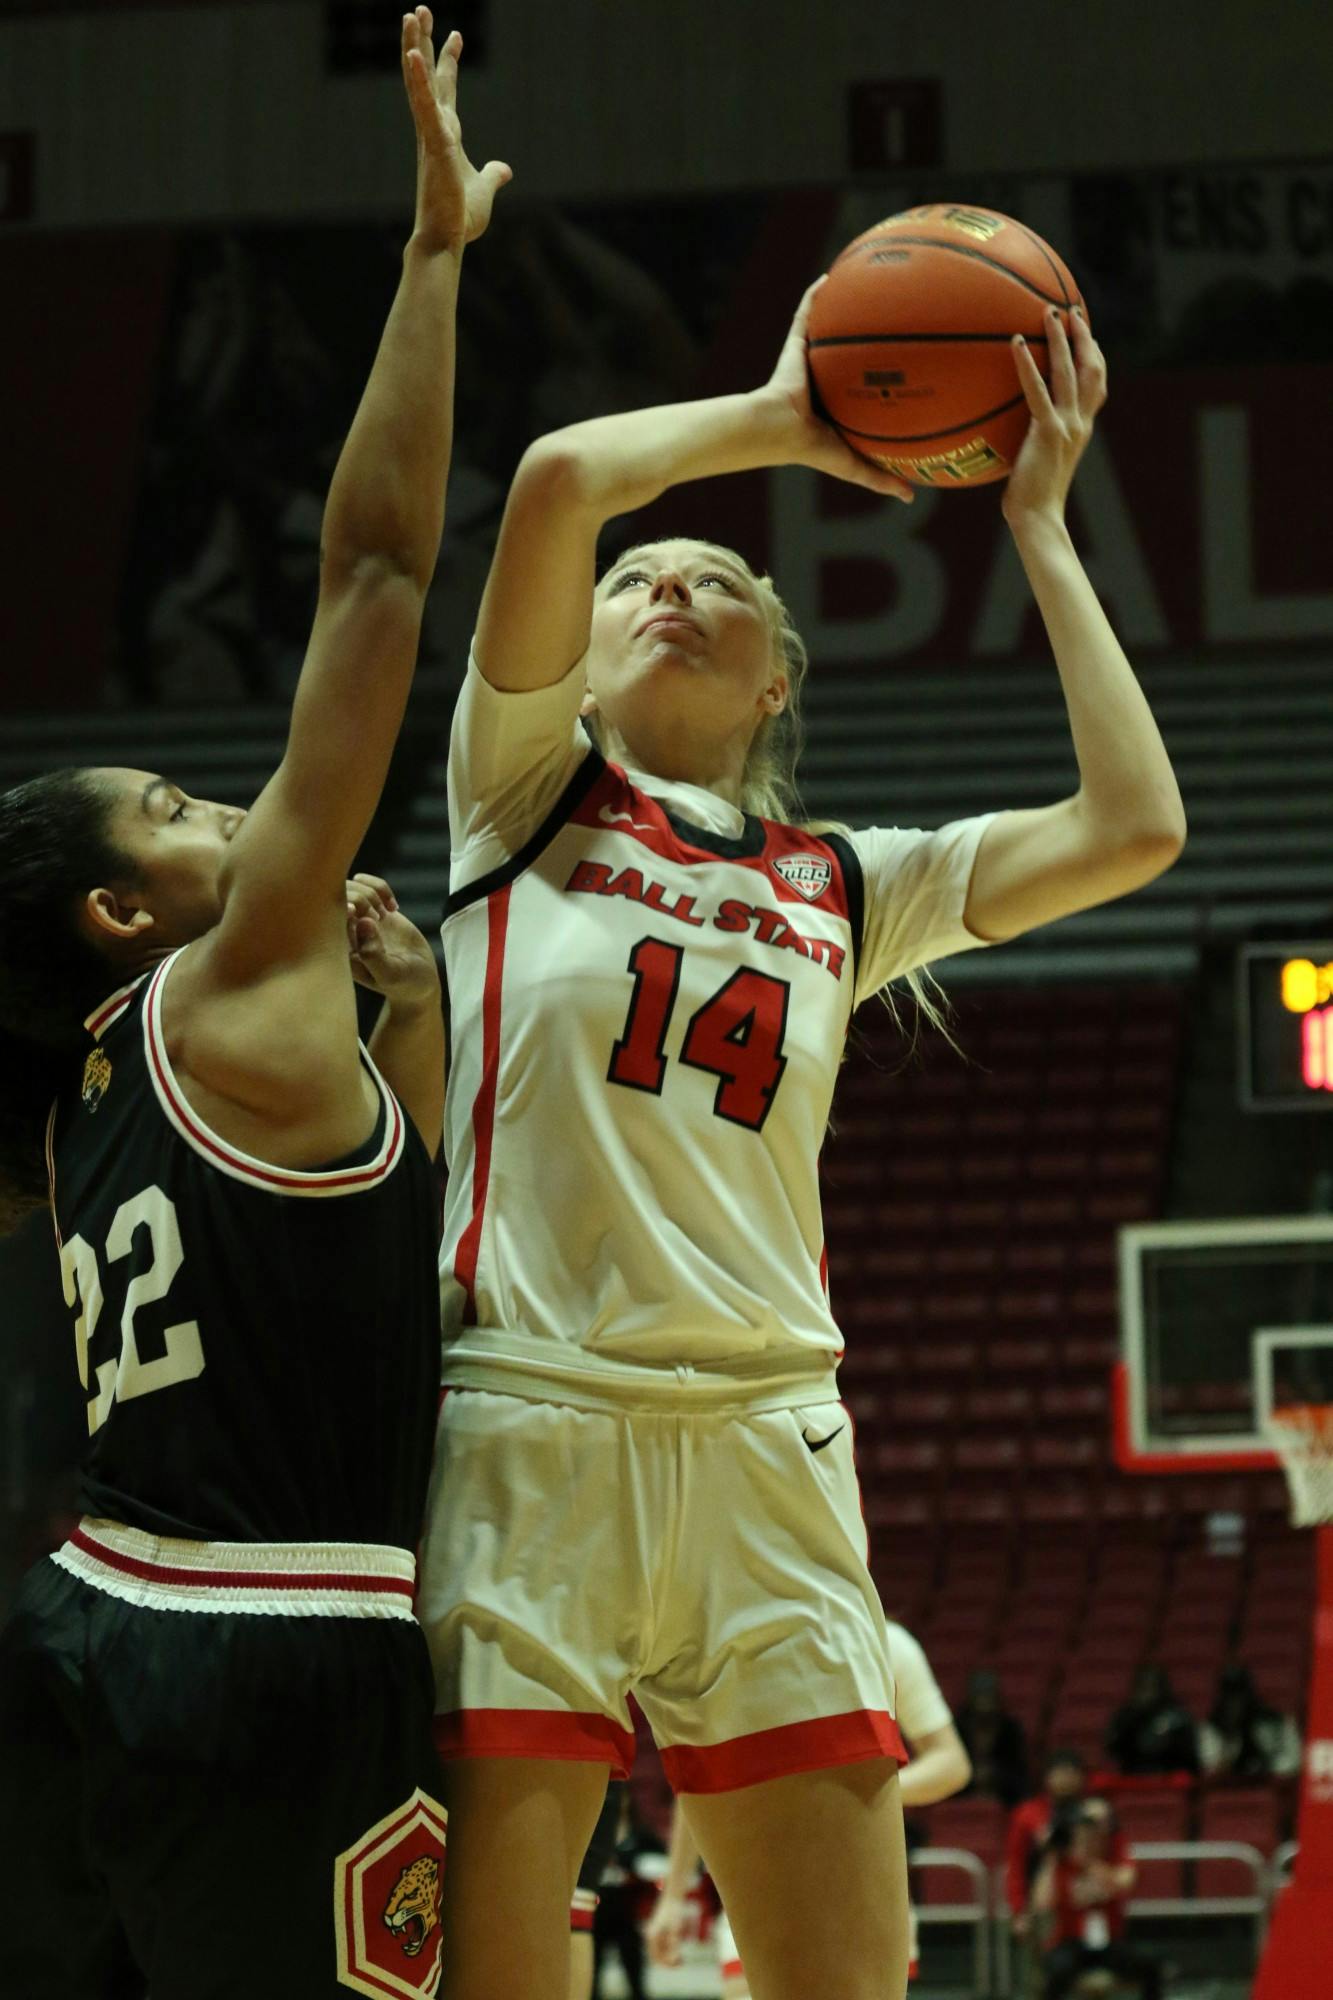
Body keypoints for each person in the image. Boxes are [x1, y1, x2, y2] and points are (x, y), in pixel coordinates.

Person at [417, 271, 1185, 2000]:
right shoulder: (520, 797)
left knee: (850, 1983)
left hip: (771, 1434)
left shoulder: (844, 879)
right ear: (580, 664)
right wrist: (782, 424)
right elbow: (552, 480)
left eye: (718, 585)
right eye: (637, 581)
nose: (669, 585)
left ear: (779, 684)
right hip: (536, 1416)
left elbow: (1134, 826)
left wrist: (1041, 530)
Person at [0, 17, 509, 1998]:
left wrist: (407, 1005)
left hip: (81, 1630)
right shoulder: (223, 979)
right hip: (273, 1647)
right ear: (129, 910)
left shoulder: (78, 1105)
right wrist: (433, 257)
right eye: (176, 809)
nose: (225, 801)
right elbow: (379, 570)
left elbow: (371, 1227)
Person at [645, 1618, 973, 1993]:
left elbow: (952, 1763)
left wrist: (842, 1794)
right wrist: (672, 1896)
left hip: (860, 1876)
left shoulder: (886, 1641)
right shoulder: (730, 1634)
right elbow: (700, 1779)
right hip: (759, 1878)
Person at [1033, 1798, 1162, 1999]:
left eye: (1092, 1833)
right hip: (1071, 1941)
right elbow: (1041, 1903)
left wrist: (1088, 1863)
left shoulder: (1110, 1858)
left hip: (1109, 1942)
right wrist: (1051, 1856)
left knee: (1149, 1965)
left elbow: (1122, 1883)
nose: (1088, 1839)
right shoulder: (1059, 1864)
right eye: (1081, 1834)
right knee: (1057, 1971)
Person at [1006, 1748, 1089, 1942]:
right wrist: (1019, 1910)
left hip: (1085, 1899)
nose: (1065, 1779)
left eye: (1071, 1773)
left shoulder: (1094, 1812)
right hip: (1043, 1901)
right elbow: (1017, 1864)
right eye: (1060, 1773)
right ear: (1047, 1777)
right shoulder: (1028, 1815)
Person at [1198, 1662, 1303, 1779]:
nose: (1234, 1702)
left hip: (1267, 1789)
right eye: (1229, 1695)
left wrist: (1265, 1766)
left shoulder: (1273, 1721)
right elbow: (1210, 1767)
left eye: (1239, 1694)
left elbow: (1294, 1762)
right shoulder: (1212, 1727)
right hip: (1227, 1791)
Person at [955, 1667, 1031, 1808]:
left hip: (1005, 1798)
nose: (984, 1702)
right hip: (961, 1795)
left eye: (988, 1696)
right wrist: (971, 1776)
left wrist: (994, 1776)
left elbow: (1019, 1770)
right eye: (980, 1696)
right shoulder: (956, 1729)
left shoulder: (1010, 1729)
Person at [1106, 1663, 1200, 1777]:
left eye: (1151, 1686)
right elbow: (1113, 1748)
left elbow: (1190, 1757)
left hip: (1169, 1778)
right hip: (1133, 1777)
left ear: (1162, 1688)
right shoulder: (1126, 1715)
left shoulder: (1178, 1716)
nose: (1146, 1693)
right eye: (1142, 1687)